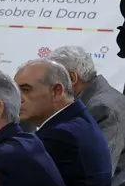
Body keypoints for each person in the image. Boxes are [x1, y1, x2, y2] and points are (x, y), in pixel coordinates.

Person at [15, 58, 112, 186]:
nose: (16, 99)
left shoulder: (60, 137)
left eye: (25, 89)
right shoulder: (77, 120)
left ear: (57, 91)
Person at [50, 44, 125, 174]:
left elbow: (98, 172)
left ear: (72, 78)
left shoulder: (103, 108)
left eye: (50, 81)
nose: (48, 88)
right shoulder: (95, 102)